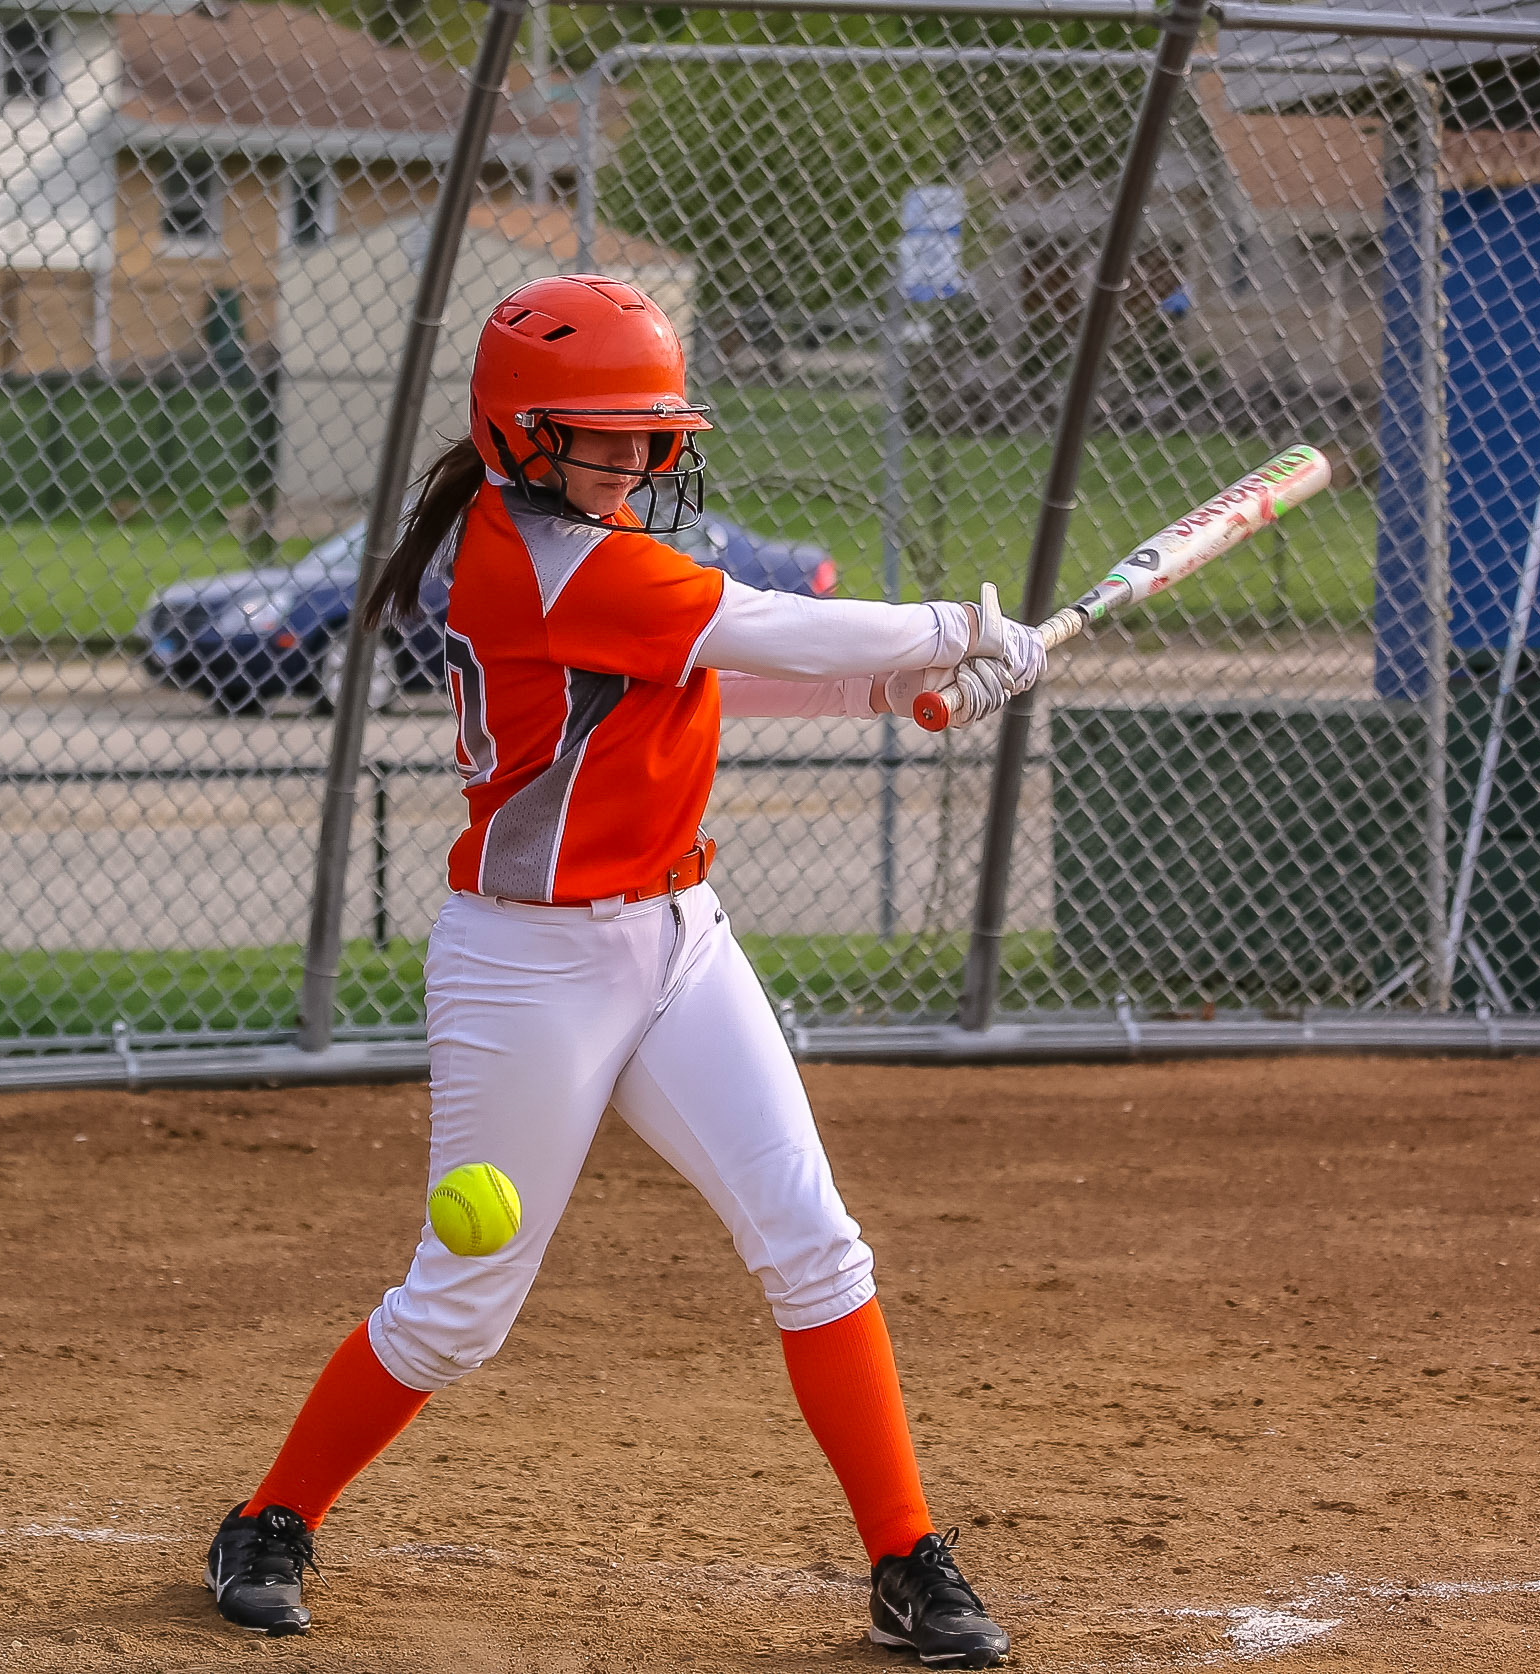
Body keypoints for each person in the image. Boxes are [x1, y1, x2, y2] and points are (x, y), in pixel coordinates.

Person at [203, 274, 1042, 1669]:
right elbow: (755, 626)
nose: (631, 458)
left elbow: (718, 670)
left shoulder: (586, 553)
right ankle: (272, 1515)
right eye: (598, 433)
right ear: (519, 433)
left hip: (677, 939)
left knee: (814, 1240)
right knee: (460, 1301)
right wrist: (948, 632)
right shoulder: (535, 556)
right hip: (528, 964)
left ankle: (905, 1557)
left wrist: (897, 684)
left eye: (648, 433)